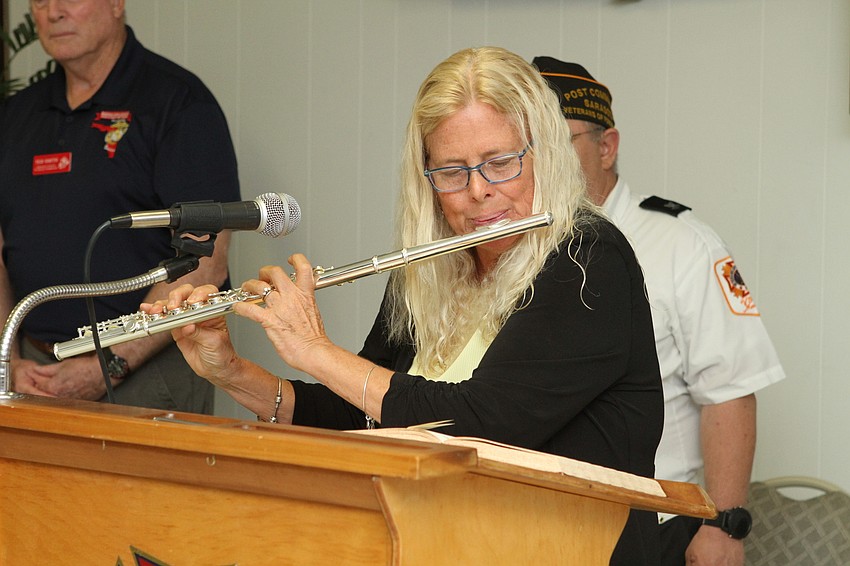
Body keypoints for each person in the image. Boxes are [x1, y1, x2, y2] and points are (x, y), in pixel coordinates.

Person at [145, 46, 663, 565]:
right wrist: (234, 373)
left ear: (544, 153)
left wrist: (316, 350)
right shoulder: (430, 271)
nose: (478, 191)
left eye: (500, 163)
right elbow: (370, 414)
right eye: (452, 172)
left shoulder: (587, 258)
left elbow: (482, 424)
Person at [532, 56, 787, 566]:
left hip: (656, 527)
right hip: (541, 524)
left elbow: (730, 391)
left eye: (555, 143)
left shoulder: (680, 244)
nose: (540, 163)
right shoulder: (519, 250)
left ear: (607, 147)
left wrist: (725, 528)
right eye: (525, 147)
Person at [0, 0, 240, 413]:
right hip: (31, 371)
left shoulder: (178, 102)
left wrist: (108, 364)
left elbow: (206, 262)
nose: (52, 11)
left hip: (147, 371)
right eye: (39, 0)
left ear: (115, 3)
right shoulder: (18, 113)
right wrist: (8, 361)